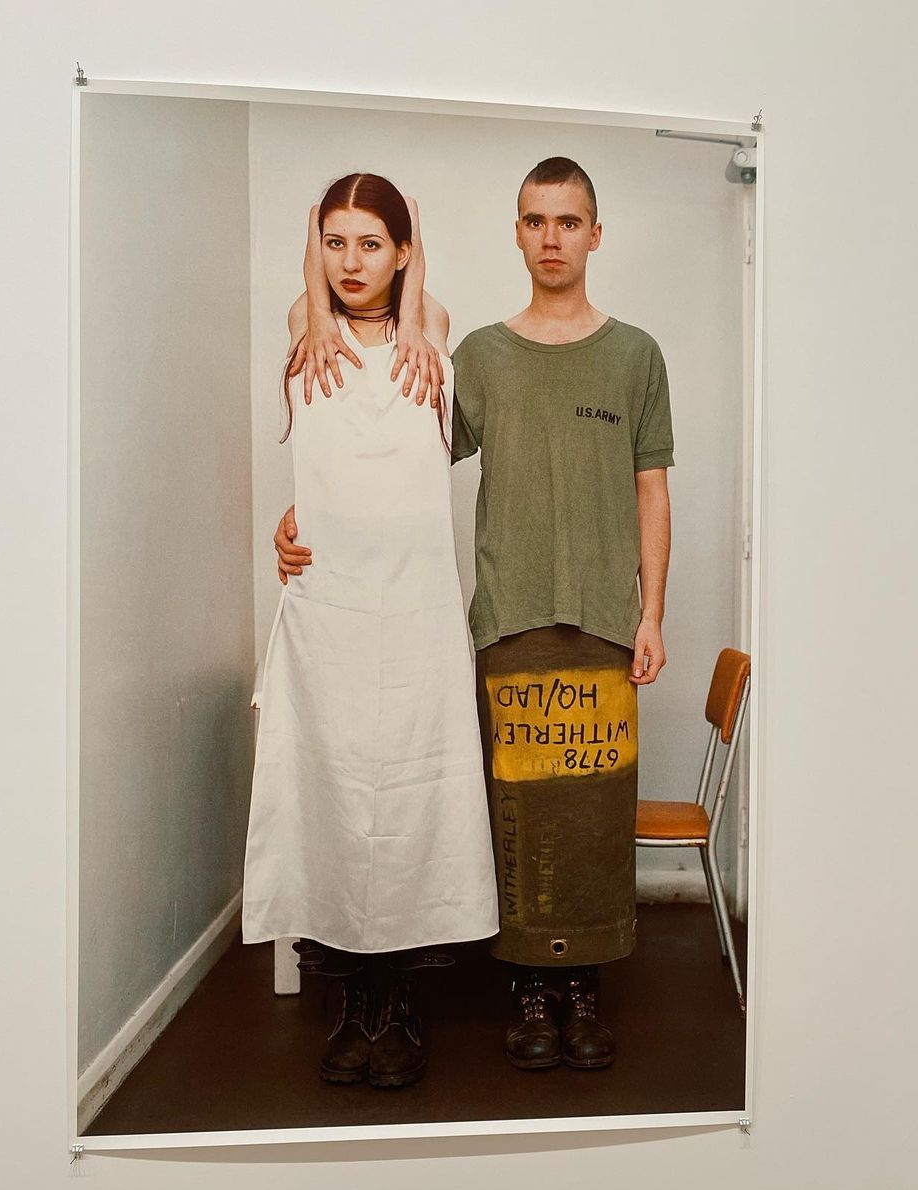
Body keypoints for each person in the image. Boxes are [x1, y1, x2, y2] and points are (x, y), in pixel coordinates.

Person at [277, 156, 674, 1073]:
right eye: (535, 221)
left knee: (594, 810)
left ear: (596, 234)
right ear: (517, 233)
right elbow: (395, 461)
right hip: (503, 616)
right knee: (519, 813)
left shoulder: (636, 355)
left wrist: (652, 611)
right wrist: (299, 518)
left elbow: (652, 489)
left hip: (606, 622)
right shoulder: (482, 356)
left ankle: (585, 989)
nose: (551, 238)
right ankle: (528, 990)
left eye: (568, 221)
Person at [243, 173, 498, 1090]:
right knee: (336, 800)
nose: (352, 262)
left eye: (372, 243)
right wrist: (316, 277)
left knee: (412, 800)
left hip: (417, 608)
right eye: (335, 242)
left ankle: (400, 1005)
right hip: (333, 610)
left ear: (402, 253)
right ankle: (354, 1002)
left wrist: (417, 252)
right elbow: (311, 309)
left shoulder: (431, 327)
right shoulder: (303, 325)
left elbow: (418, 302)